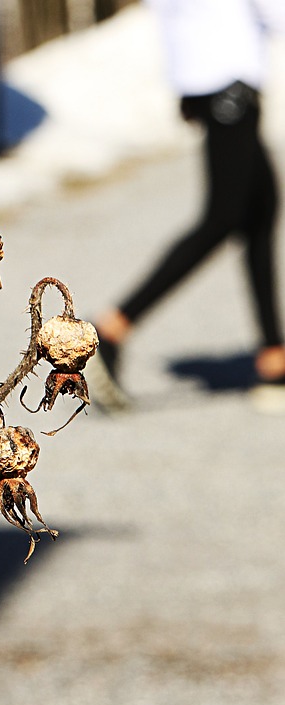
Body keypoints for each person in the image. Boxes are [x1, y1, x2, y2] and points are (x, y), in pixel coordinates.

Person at [94, 0, 285, 410]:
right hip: (229, 80)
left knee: (262, 205)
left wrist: (185, 81)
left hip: (207, 80)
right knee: (224, 216)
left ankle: (273, 357)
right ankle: (113, 326)